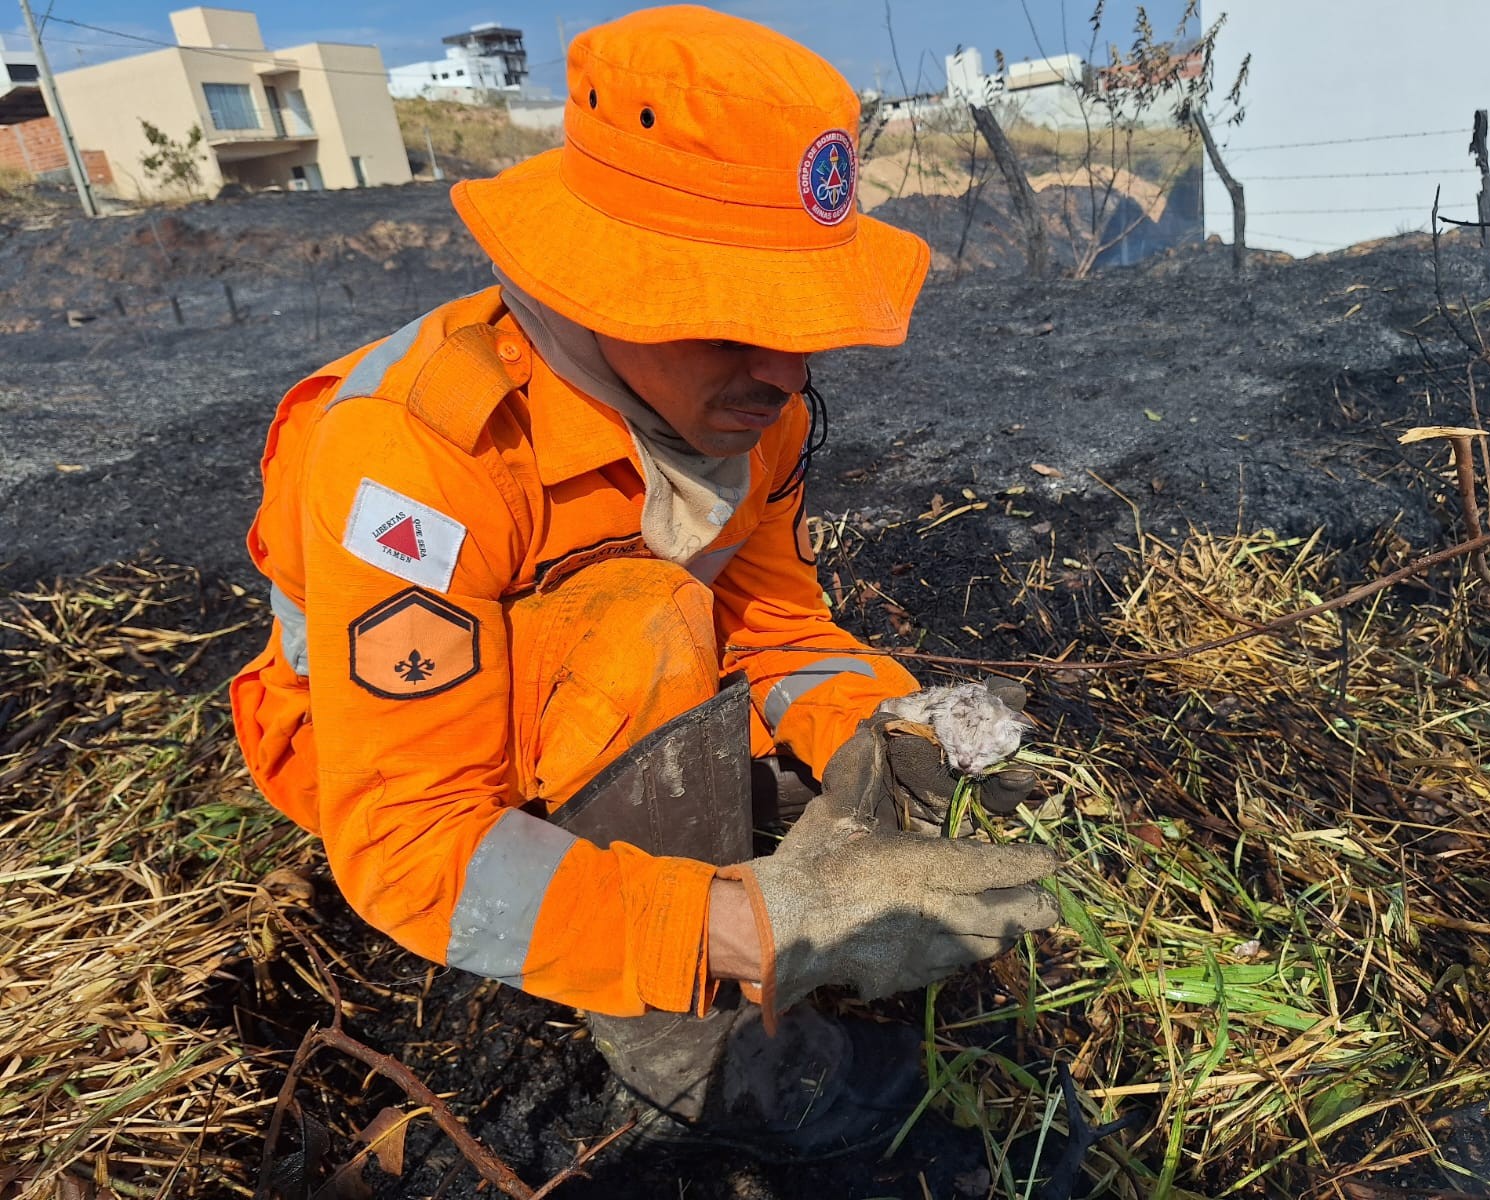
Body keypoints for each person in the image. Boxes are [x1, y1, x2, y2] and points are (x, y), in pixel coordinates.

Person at [231, 3, 1058, 1157]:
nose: (781, 371)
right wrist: (760, 926)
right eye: (732, 321)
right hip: (399, 762)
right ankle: (691, 1051)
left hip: (598, 719)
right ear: (594, 283)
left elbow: (774, 625)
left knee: (679, 635)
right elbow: (409, 838)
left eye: (799, 320)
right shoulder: (420, 453)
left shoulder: (740, 414)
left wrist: (881, 728)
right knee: (645, 619)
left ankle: (717, 843)